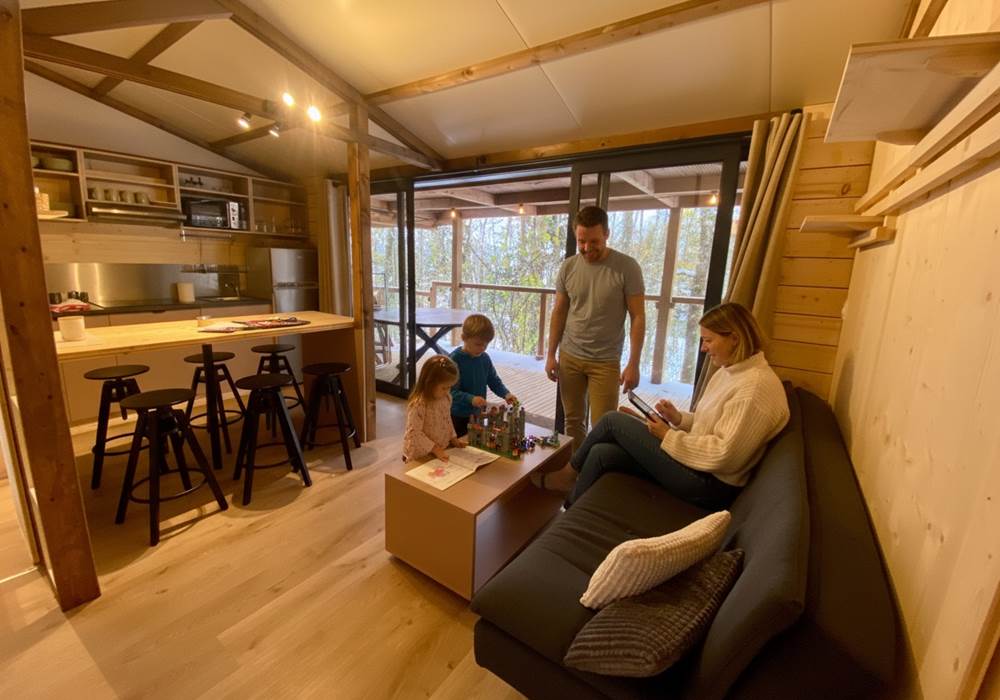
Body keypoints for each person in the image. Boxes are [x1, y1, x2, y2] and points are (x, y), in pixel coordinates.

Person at [540, 302, 790, 510]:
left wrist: (668, 435)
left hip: (709, 485)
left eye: (708, 340)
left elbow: (723, 455)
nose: (703, 348)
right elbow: (712, 425)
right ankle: (569, 511)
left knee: (611, 421)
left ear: (734, 338)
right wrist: (679, 419)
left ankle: (566, 475)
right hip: (698, 466)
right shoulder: (732, 371)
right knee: (601, 453)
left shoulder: (754, 388)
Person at [545, 206, 646, 446]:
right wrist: (550, 354)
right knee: (573, 421)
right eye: (582, 241)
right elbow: (559, 312)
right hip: (570, 356)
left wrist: (634, 364)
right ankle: (574, 474)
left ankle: (596, 475)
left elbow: (638, 317)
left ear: (607, 234)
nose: (587, 248)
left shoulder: (627, 267)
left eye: (594, 241)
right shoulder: (568, 267)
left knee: (603, 425)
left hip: (606, 361)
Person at [449, 314, 517, 437]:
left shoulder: (484, 358)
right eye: (478, 344)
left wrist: (506, 394)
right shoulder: (454, 360)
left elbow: (493, 380)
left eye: (486, 345)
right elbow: (449, 391)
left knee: (475, 443)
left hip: (477, 413)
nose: (482, 348)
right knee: (458, 447)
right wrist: (471, 399)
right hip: (457, 415)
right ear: (464, 338)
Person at [402, 355, 466, 462]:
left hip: (439, 450)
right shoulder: (419, 404)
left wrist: (454, 439)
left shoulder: (446, 398)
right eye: (444, 388)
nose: (447, 391)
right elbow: (414, 433)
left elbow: (447, 420)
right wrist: (435, 449)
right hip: (420, 454)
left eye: (450, 387)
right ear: (429, 383)